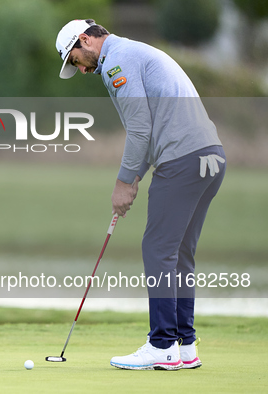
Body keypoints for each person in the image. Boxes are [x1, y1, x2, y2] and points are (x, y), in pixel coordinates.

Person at [55, 19, 226, 370]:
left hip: (182, 159)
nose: (82, 69)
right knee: (179, 254)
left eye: (76, 60)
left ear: (85, 40)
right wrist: (135, 178)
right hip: (210, 157)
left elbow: (140, 128)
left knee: (158, 249)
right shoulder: (133, 51)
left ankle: (162, 345)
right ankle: (185, 345)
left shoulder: (117, 62)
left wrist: (123, 181)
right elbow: (152, 127)